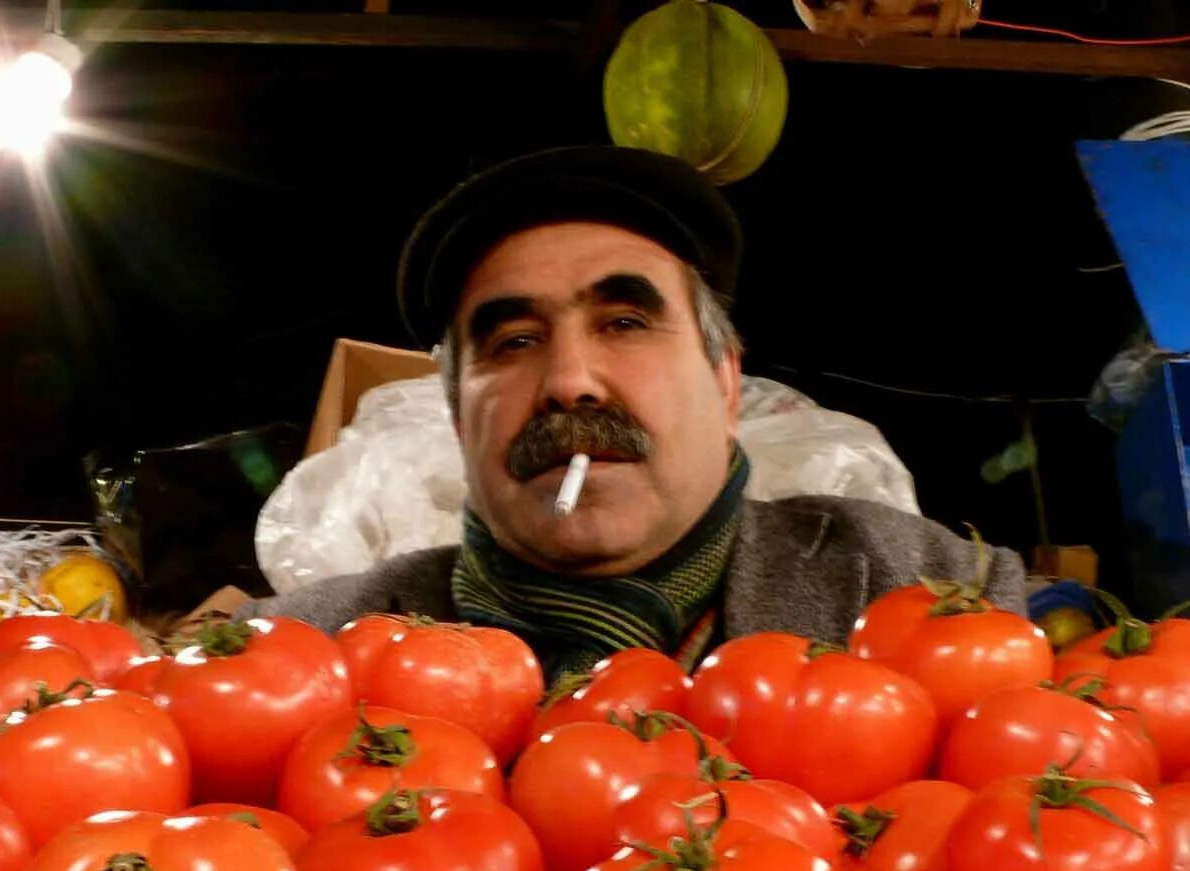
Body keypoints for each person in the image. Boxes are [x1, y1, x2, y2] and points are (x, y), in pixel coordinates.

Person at [240, 145, 1025, 678]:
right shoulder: (304, 655)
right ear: (455, 421)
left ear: (724, 384)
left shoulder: (933, 596)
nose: (571, 382)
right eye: (513, 342)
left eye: (624, 324)